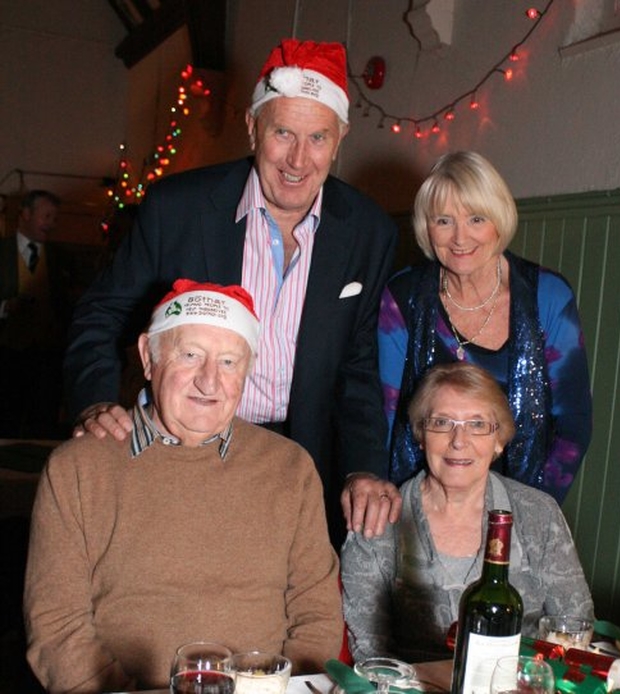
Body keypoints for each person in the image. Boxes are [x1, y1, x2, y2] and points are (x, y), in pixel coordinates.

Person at [63, 38, 400, 546]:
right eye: (282, 132)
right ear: (251, 126)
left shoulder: (369, 232)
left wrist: (363, 468)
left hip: (300, 461)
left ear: (341, 138)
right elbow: (100, 314)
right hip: (183, 448)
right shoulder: (176, 208)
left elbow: (357, 367)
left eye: (317, 138)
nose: (297, 160)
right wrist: (93, 403)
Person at [24, 280, 344, 693]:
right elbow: (56, 628)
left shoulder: (290, 468)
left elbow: (316, 614)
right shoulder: (78, 469)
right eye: (190, 355)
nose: (209, 382)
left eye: (229, 362)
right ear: (147, 357)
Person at [341, 362, 594, 664]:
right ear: (421, 435)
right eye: (442, 423)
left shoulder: (538, 513)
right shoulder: (379, 520)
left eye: (477, 425)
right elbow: (371, 655)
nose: (459, 441)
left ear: (499, 440)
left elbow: (573, 627)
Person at [380, 151, 592, 503]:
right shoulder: (401, 297)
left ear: (499, 219)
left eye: (476, 219)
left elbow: (574, 420)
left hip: (524, 499)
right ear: (426, 227)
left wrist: (528, 511)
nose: (460, 238)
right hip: (421, 499)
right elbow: (385, 417)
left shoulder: (548, 296)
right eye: (444, 221)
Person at [0, 189, 68, 438]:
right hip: (5, 355)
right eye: (46, 216)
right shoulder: (2, 251)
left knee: (41, 423)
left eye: (54, 218)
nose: (51, 224)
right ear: (26, 214)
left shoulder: (60, 258)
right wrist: (5, 308)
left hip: (45, 359)